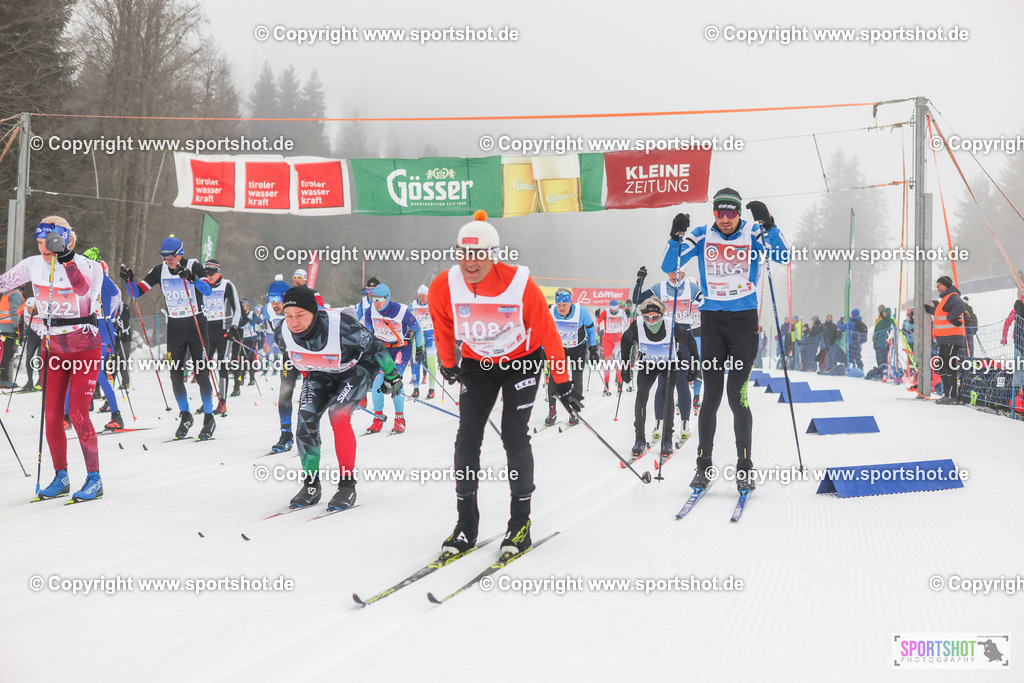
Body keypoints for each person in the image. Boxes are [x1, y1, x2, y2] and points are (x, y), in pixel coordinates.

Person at [429, 210, 577, 557]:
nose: (471, 262)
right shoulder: (443, 285)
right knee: (467, 437)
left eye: (479, 254)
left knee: (513, 433)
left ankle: (520, 523)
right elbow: (443, 326)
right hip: (478, 364)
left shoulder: (519, 284)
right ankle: (466, 526)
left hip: (521, 362)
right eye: (464, 253)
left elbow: (548, 335)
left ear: (493, 254)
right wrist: (449, 364)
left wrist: (563, 381)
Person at [660, 188, 790, 493]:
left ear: (739, 214)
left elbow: (783, 255)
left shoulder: (754, 233)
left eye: (731, 213)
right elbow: (669, 267)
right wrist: (676, 236)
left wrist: (769, 226)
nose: (726, 219)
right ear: (714, 213)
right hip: (713, 324)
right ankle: (703, 466)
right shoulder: (703, 234)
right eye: (720, 213)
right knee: (712, 395)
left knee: (738, 394)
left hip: (744, 324)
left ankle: (745, 468)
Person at [0, 217, 105, 501]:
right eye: (40, 241)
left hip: (84, 347)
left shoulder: (87, 265)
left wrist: (67, 258)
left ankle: (94, 478)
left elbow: (83, 289)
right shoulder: (33, 265)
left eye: (51, 242)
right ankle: (62, 476)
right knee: (52, 416)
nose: (45, 247)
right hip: (54, 348)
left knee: (80, 413)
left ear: (66, 239)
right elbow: (3, 283)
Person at [277, 286, 402, 509]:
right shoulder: (283, 332)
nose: (294, 322)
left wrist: (392, 375)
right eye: (288, 316)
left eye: (300, 315)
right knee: (305, 421)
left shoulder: (342, 327)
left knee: (338, 415)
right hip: (321, 372)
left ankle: (346, 486)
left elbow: (378, 348)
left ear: (314, 312)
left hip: (356, 369)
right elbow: (295, 358)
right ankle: (311, 486)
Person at [120, 235, 216, 440]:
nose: (168, 260)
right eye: (164, 256)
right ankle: (185, 415)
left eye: (171, 256)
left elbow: (207, 290)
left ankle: (209, 417)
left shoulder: (194, 265)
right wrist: (129, 279)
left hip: (196, 324)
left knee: (201, 374)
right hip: (175, 327)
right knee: (175, 375)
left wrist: (193, 278)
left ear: (180, 253)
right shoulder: (159, 270)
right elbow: (136, 293)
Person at [620, 297, 699, 459]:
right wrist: (625, 366)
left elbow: (690, 342)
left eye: (655, 318)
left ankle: (667, 441)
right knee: (641, 396)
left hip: (669, 363)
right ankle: (639, 440)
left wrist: (694, 365)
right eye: (647, 317)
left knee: (667, 396)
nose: (651, 321)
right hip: (647, 364)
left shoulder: (671, 325)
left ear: (661, 315)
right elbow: (625, 341)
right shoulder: (638, 324)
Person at [633, 260, 703, 434]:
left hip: (684, 340)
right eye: (671, 273)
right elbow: (636, 300)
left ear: (683, 273)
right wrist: (639, 281)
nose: (673, 276)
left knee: (682, 384)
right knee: (663, 384)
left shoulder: (691, 289)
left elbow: (708, 301)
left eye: (677, 273)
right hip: (664, 341)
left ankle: (685, 422)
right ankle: (659, 421)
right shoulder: (660, 288)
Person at [363, 283, 424, 434]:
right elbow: (369, 333)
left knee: (394, 380)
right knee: (378, 382)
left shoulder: (401, 311)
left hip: (401, 349)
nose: (376, 303)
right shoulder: (370, 311)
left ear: (387, 298)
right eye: (373, 299)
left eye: (379, 299)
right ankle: (378, 418)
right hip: (382, 349)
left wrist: (420, 348)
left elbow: (417, 329)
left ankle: (399, 419)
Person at [81, 248, 124, 430]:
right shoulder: (82, 282)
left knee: (98, 373)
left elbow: (115, 297)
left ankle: (116, 415)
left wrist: (97, 269)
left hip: (103, 330)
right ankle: (68, 415)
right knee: (76, 371)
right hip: (86, 330)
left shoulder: (106, 283)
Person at [544, 288, 599, 427]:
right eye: (559, 305)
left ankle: (573, 411)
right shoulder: (550, 312)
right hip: (559, 349)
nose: (561, 308)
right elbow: (543, 331)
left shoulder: (582, 312)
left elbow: (591, 330)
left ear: (570, 303)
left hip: (577, 349)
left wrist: (593, 349)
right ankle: (552, 410)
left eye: (564, 305)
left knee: (577, 378)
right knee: (554, 378)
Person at [201, 259, 242, 410]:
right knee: (202, 367)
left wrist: (234, 327)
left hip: (224, 331)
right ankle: (207, 401)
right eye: (207, 273)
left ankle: (222, 401)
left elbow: (237, 308)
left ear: (219, 272)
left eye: (211, 273)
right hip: (207, 330)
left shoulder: (227, 285)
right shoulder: (203, 286)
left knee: (222, 366)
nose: (209, 276)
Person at [924, 276, 967, 404]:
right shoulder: (945, 299)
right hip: (944, 339)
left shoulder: (953, 296)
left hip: (952, 338)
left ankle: (951, 396)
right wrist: (929, 310)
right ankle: (947, 395)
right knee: (944, 367)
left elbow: (960, 306)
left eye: (939, 284)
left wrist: (951, 317)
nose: (937, 286)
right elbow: (940, 313)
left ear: (946, 285)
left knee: (949, 367)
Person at [264, 280, 296, 453]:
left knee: (312, 396)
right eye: (270, 298)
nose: (274, 303)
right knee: (284, 394)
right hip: (288, 356)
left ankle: (312, 431)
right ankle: (286, 435)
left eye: (277, 298)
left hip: (307, 357)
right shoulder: (268, 310)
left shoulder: (298, 307)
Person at [408, 284, 437, 399]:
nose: (422, 298)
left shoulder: (433, 305)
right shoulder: (413, 305)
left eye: (424, 296)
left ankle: (431, 389)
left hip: (430, 336)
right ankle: (416, 389)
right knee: (415, 363)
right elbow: (408, 319)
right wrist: (409, 329)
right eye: (420, 296)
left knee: (430, 362)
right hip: (418, 336)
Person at [595, 299, 629, 395]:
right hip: (607, 340)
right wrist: (596, 317)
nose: (613, 312)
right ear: (610, 308)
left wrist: (627, 316)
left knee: (618, 362)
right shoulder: (605, 312)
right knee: (607, 362)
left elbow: (627, 324)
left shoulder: (622, 312)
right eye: (612, 310)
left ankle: (619, 386)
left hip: (618, 339)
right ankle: (606, 386)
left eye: (615, 310)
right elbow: (597, 323)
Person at [0, 285, 25, 388]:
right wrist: (17, 328)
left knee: (4, 354)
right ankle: (4, 380)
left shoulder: (6, 294)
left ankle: (3, 379)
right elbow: (15, 312)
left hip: (3, 328)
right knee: (8, 354)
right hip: (10, 329)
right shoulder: (15, 294)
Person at [19, 297, 42, 391]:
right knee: (29, 357)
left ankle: (41, 381)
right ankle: (29, 381)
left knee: (39, 357)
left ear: (36, 307)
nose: (29, 309)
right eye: (28, 307)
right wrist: (20, 337)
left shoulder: (42, 311)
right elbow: (20, 324)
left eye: (31, 307)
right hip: (33, 335)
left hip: (42, 336)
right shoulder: (24, 312)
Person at [868, 306, 896, 379]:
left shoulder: (892, 322)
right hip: (879, 344)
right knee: (879, 358)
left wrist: (893, 342)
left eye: (885, 312)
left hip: (887, 344)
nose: (884, 314)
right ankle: (880, 372)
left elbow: (894, 332)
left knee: (886, 359)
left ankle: (886, 372)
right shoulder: (879, 322)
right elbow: (876, 332)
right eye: (882, 312)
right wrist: (875, 342)